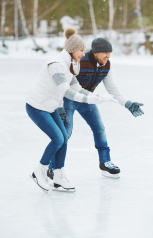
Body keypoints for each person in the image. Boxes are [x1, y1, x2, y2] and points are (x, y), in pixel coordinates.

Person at [26, 28, 115, 193]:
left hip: (51, 106)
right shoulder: (56, 65)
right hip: (37, 107)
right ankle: (39, 171)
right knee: (58, 139)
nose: (83, 54)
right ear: (73, 49)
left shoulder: (70, 66)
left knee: (64, 138)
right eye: (81, 50)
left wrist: (99, 97)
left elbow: (78, 89)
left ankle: (58, 176)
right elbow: (67, 92)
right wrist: (90, 99)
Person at [48, 37, 144, 179]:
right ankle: (52, 167)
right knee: (65, 134)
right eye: (105, 52)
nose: (108, 55)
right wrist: (59, 106)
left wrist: (127, 103)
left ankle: (105, 162)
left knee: (99, 129)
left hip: (88, 99)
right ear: (95, 52)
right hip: (69, 99)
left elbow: (112, 87)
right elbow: (62, 84)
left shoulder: (106, 65)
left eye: (109, 52)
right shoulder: (79, 61)